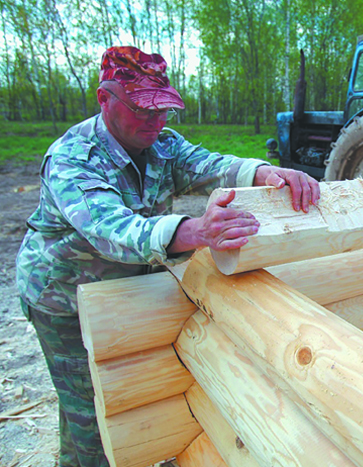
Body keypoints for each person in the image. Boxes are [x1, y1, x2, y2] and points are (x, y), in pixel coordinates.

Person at [15, 46, 320, 467]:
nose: (156, 122)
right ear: (105, 99)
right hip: (63, 297)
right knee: (92, 412)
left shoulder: (161, 141)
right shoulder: (73, 160)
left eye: (162, 110)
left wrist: (265, 172)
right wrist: (198, 232)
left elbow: (208, 164)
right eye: (142, 110)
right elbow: (112, 229)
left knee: (100, 400)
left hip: (121, 287)